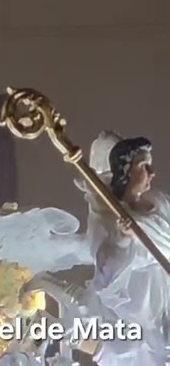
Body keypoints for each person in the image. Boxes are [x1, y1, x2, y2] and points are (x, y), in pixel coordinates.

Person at [78, 132, 170, 366]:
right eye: (144, 166)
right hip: (141, 305)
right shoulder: (110, 219)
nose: (151, 173)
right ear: (126, 173)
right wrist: (124, 239)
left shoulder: (160, 202)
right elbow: (107, 274)